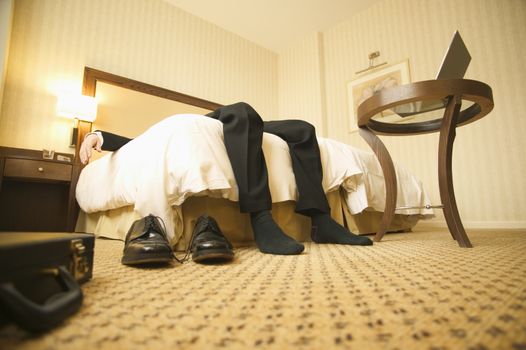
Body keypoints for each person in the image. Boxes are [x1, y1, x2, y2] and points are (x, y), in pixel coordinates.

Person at [80, 102, 372, 260]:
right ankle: (261, 220)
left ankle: (322, 221)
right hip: (226, 116)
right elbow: (137, 144)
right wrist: (100, 135)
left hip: (235, 121)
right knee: (241, 110)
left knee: (302, 128)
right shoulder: (172, 129)